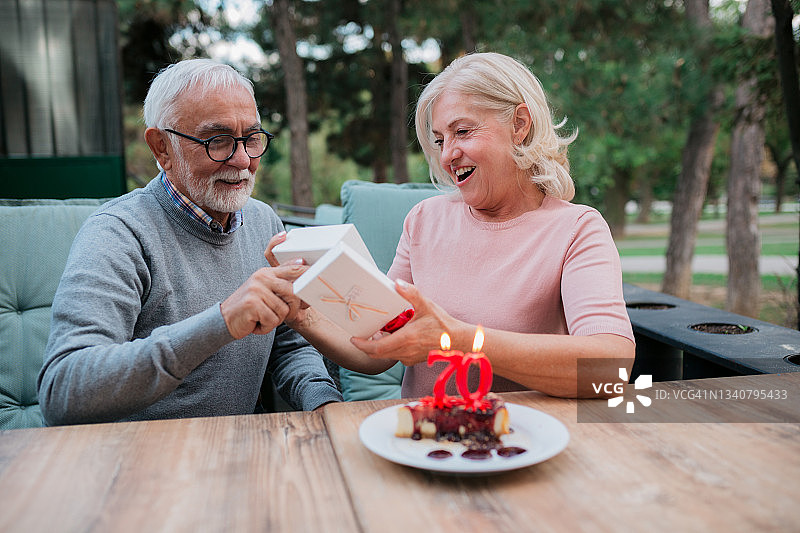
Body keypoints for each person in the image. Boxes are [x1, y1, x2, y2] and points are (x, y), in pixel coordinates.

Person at [272, 52, 635, 399]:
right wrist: (305, 318)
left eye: (463, 131)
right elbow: (377, 351)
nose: (447, 155)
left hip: (522, 441)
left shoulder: (577, 229)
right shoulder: (423, 220)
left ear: (519, 125)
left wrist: (459, 340)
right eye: (440, 140)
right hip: (423, 439)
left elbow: (610, 369)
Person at [37, 59, 362, 425]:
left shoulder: (263, 221)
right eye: (218, 141)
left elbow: (287, 346)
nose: (242, 160)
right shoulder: (118, 234)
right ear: (162, 148)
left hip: (242, 447)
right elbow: (63, 389)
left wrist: (323, 404)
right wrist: (221, 321)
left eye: (252, 139)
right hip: (141, 461)